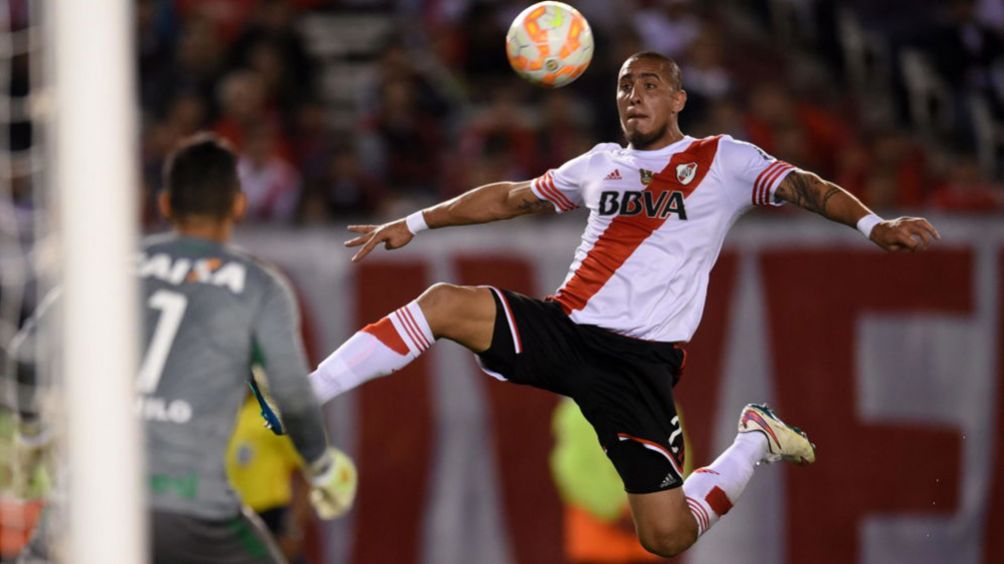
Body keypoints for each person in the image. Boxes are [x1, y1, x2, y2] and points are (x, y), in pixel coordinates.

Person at [310, 52, 941, 558]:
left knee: (665, 538)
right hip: (565, 329)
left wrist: (873, 226)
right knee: (445, 303)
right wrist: (415, 224)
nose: (632, 96)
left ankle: (755, 439)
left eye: (648, 84)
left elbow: (808, 187)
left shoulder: (723, 159)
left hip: (638, 365)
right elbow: (510, 197)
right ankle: (308, 391)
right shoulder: (600, 164)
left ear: (677, 97)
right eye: (622, 87)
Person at [10, 134, 358, 564]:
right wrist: (321, 467)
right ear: (237, 205)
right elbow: (292, 395)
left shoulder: (108, 266)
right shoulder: (258, 286)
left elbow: (24, 356)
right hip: (194, 513)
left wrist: (29, 438)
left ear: (165, 204)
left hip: (88, 503)